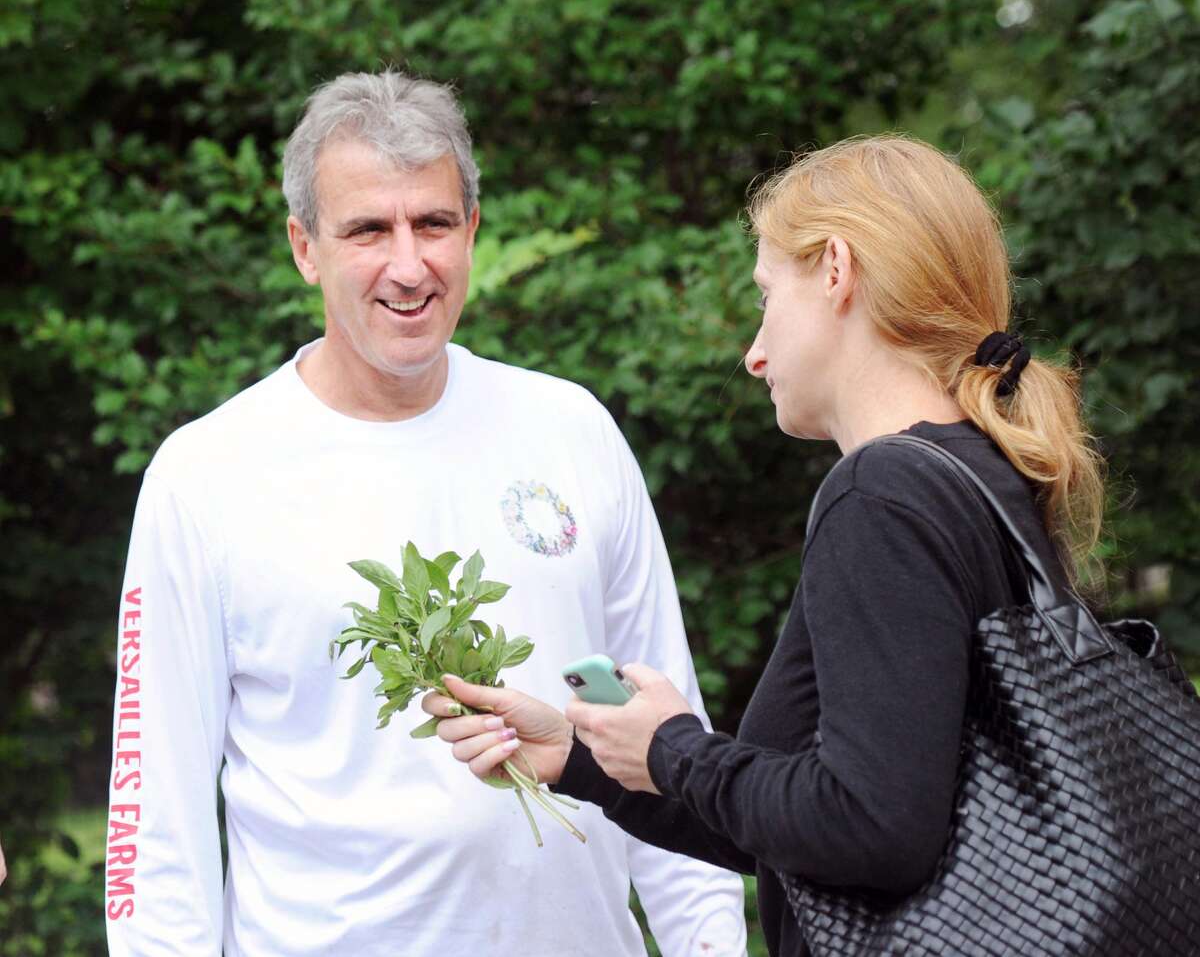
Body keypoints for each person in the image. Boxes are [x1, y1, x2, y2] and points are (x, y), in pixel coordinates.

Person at [102, 71, 747, 956]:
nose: (409, 265)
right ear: (304, 247)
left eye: (434, 224)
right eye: (368, 229)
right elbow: (155, 824)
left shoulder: (571, 430)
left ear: (472, 230)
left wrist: (709, 947)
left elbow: (665, 734)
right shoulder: (206, 475)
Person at [423, 135, 1106, 957]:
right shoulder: (984, 477)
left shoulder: (881, 495)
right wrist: (580, 759)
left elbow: (875, 829)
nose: (754, 353)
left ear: (836, 271)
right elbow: (796, 826)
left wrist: (675, 748)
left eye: (765, 295)